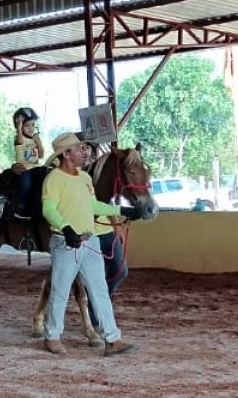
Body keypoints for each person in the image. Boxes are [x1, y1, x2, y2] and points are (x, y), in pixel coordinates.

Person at [39, 132, 145, 356]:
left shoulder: (85, 178)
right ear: (66, 154)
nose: (85, 151)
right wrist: (66, 228)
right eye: (79, 149)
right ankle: (52, 335)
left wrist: (123, 210)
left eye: (84, 148)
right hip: (66, 242)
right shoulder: (54, 179)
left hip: (89, 241)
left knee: (100, 290)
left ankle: (112, 338)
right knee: (61, 290)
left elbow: (94, 206)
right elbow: (48, 209)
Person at [9, 107, 45, 220]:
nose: (31, 128)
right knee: (26, 182)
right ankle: (21, 206)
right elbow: (19, 141)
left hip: (36, 167)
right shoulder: (19, 138)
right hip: (24, 168)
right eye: (27, 126)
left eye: (33, 125)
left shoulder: (35, 139)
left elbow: (41, 155)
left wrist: (39, 143)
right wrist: (19, 128)